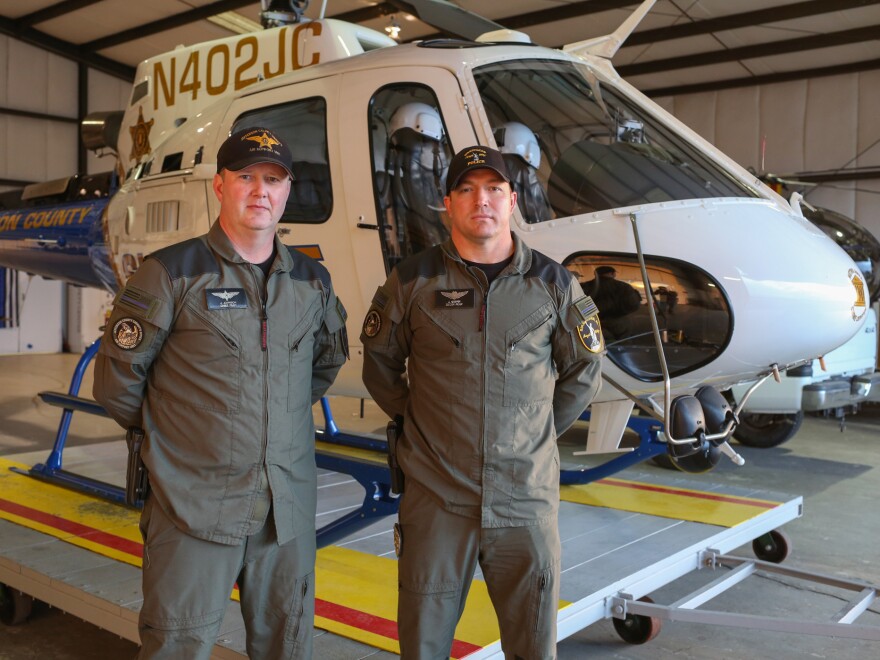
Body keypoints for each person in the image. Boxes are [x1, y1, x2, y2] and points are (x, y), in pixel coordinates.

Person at [93, 127, 348, 659]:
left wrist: (270, 416)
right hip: (193, 506)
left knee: (288, 647)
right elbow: (118, 383)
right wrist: (179, 440)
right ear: (220, 185)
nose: (260, 191)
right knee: (176, 646)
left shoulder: (312, 281)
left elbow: (321, 367)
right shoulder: (171, 274)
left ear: (287, 190)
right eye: (246, 177)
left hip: (285, 513)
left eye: (273, 179)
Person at [360, 145, 603, 658]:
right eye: (467, 190)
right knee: (423, 646)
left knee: (533, 647)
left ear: (512, 200)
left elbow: (584, 372)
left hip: (524, 501)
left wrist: (534, 433)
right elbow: (379, 365)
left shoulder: (553, 284)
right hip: (436, 499)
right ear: (448, 203)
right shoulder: (412, 281)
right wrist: (422, 424)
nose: (482, 200)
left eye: (494, 188)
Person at [581, 265, 642, 340]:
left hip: (591, 326)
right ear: (613, 274)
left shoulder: (584, 287)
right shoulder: (624, 287)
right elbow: (633, 305)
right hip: (619, 326)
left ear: (595, 274)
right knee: (622, 344)